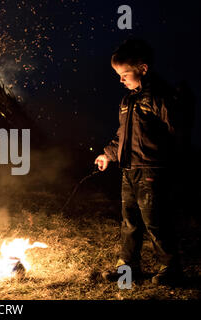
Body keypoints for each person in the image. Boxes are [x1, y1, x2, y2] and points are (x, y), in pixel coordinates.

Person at [95, 39, 183, 286]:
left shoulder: (160, 97)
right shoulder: (128, 101)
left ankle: (171, 267)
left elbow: (178, 130)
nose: (120, 80)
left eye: (124, 74)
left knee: (154, 219)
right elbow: (122, 135)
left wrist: (173, 158)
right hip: (128, 170)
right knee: (130, 220)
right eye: (118, 75)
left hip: (151, 170)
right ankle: (127, 267)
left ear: (143, 68)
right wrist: (108, 155)